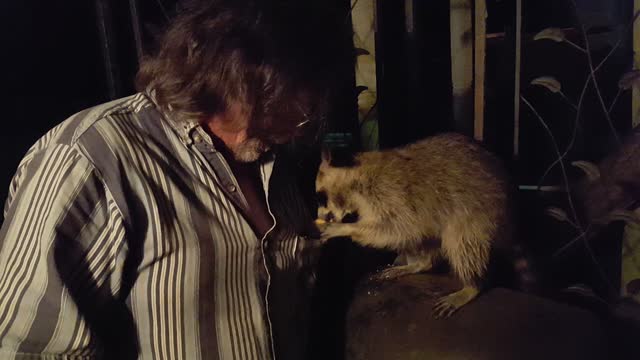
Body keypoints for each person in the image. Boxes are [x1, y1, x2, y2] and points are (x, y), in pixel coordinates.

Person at [0, 0, 348, 358]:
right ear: (242, 73)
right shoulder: (87, 158)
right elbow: (30, 349)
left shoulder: (279, 165)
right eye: (302, 99)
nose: (308, 119)